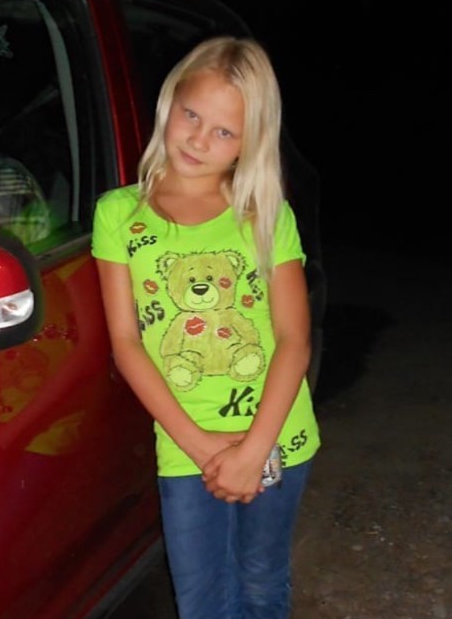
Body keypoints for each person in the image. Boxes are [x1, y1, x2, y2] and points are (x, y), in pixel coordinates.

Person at [91, 35, 320, 619]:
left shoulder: (265, 215)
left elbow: (294, 341)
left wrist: (253, 451)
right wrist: (202, 448)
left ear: (250, 143)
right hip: (185, 446)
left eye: (224, 131)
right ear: (169, 102)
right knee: (201, 601)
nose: (199, 139)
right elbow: (126, 343)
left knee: (262, 584)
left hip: (278, 440)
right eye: (192, 115)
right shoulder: (118, 213)